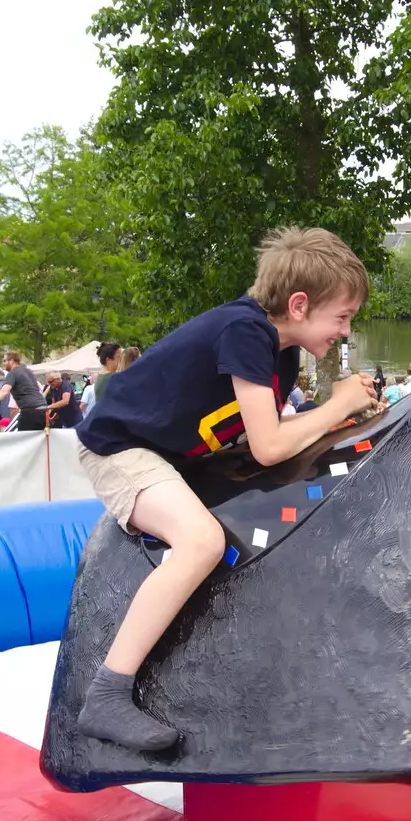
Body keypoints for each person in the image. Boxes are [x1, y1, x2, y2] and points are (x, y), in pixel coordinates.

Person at [71, 226, 379, 751]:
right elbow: (268, 446)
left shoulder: (280, 349)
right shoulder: (245, 330)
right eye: (342, 317)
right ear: (300, 304)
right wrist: (338, 405)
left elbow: (279, 434)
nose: (346, 333)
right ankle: (108, 690)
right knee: (202, 541)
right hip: (121, 449)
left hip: (175, 454)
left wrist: (338, 423)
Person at [0, 351, 48, 431]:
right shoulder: (28, 371)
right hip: (43, 408)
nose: (3, 363)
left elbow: (3, 392)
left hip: (30, 410)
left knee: (20, 439)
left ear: (12, 361)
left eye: (5, 360)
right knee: (38, 438)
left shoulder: (12, 373)